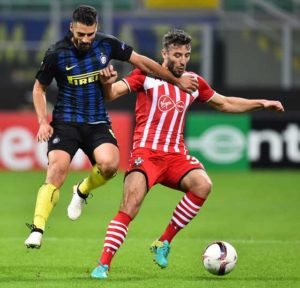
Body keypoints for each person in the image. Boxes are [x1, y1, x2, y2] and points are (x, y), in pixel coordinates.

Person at [89, 29, 284, 279]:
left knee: (203, 185)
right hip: (146, 154)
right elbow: (112, 94)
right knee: (130, 205)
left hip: (176, 156)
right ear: (164, 54)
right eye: (177, 54)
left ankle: (163, 242)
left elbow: (224, 103)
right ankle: (103, 264)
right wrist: (106, 82)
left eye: (187, 55)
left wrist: (262, 103)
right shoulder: (145, 75)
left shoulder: (193, 83)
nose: (182, 60)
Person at [24, 6, 198, 249]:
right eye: (82, 34)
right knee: (57, 169)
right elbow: (38, 88)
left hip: (96, 121)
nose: (86, 39)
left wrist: (175, 80)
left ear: (97, 29)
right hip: (66, 121)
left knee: (110, 166)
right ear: (72, 28)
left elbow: (142, 62)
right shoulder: (56, 53)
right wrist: (43, 121)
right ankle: (37, 229)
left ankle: (82, 191)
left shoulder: (107, 44)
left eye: (91, 34)